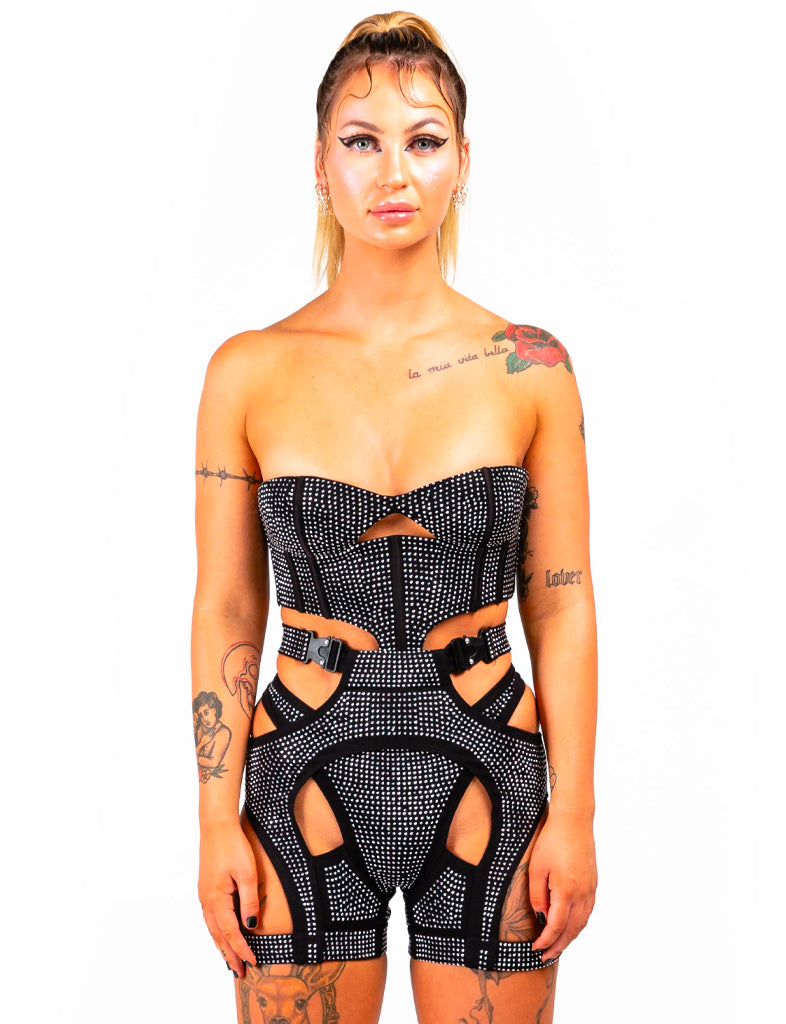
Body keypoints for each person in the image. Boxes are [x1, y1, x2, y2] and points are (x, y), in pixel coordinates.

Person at [191, 11, 597, 1023]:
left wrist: (577, 812)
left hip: (495, 772)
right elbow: (229, 605)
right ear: (319, 164)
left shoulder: (530, 366)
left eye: (423, 140)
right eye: (361, 141)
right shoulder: (247, 371)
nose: (393, 173)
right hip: (298, 778)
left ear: (464, 161)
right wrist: (212, 821)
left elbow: (562, 604)